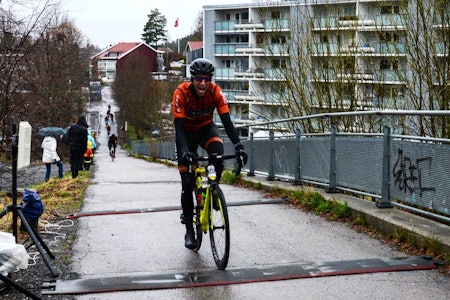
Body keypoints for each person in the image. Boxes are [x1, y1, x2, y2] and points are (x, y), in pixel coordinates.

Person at [172, 58, 248, 250]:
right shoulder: (181, 93)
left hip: (206, 129)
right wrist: (183, 152)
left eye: (207, 79)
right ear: (193, 79)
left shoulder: (215, 92)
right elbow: (179, 130)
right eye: (199, 79)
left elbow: (227, 122)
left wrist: (239, 146)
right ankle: (189, 230)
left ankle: (212, 191)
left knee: (218, 154)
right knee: (187, 182)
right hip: (186, 134)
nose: (203, 83)